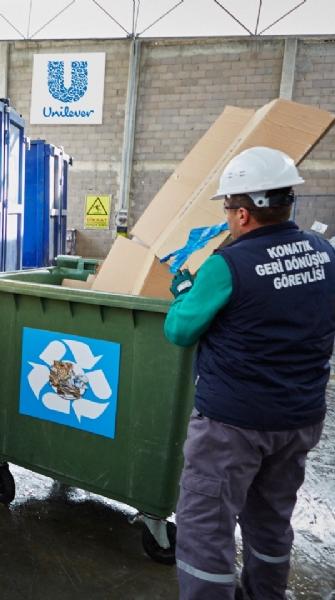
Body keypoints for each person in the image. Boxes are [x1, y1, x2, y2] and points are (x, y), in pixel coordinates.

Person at [164, 146, 335, 600]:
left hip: (232, 427)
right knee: (271, 522)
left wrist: (185, 290)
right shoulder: (323, 253)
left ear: (242, 214)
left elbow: (180, 330)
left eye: (226, 208)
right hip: (299, 419)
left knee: (205, 530)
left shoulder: (227, 265)